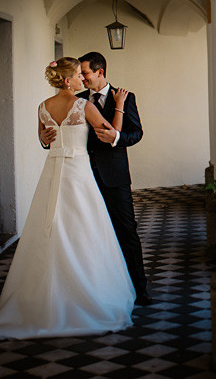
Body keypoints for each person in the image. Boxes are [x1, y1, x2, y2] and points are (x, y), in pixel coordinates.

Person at [0, 57, 135, 338]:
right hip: (78, 172)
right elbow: (109, 133)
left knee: (47, 227)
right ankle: (85, 294)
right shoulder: (84, 106)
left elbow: (45, 140)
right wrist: (119, 106)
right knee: (83, 228)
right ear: (68, 80)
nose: (82, 79)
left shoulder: (42, 107)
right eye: (78, 75)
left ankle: (44, 296)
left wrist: (50, 136)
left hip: (53, 171)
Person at [76, 51, 150, 305]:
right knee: (91, 234)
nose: (82, 78)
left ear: (100, 72)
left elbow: (136, 132)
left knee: (126, 231)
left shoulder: (125, 98)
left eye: (85, 73)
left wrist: (117, 139)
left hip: (116, 178)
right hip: (83, 177)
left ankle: (140, 289)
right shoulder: (77, 100)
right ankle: (100, 290)